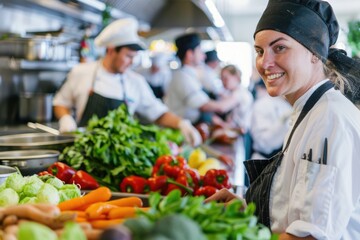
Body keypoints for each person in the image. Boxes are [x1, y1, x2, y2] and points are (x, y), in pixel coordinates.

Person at [205, 0, 360, 239]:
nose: (264, 63)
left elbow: (310, 236)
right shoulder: (308, 109)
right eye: (259, 51)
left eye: (279, 48)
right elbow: (297, 208)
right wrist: (248, 212)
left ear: (314, 54)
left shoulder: (329, 119)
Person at [52, 17, 202, 146]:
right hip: (82, 149)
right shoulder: (82, 72)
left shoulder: (135, 82)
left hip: (120, 155)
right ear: (111, 50)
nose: (132, 62)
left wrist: (182, 124)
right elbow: (60, 102)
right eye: (128, 56)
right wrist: (65, 118)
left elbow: (158, 113)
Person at [164, 32, 241, 125]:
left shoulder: (188, 76)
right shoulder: (182, 78)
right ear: (189, 54)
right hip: (180, 128)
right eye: (200, 51)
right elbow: (207, 106)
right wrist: (237, 95)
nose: (203, 56)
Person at [249, 80, 292, 159]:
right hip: (263, 161)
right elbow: (264, 143)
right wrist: (282, 121)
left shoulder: (288, 105)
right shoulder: (262, 104)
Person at [212, 64, 254, 132]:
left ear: (236, 78)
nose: (223, 82)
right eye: (221, 79)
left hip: (241, 135)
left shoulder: (239, 93)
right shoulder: (235, 92)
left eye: (225, 78)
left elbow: (222, 108)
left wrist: (219, 122)